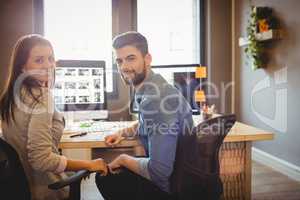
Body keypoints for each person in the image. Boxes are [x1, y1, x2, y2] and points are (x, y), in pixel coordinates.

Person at [0, 34, 108, 200]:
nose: (48, 65)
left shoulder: (11, 97)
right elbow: (41, 159)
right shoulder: (42, 97)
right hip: (46, 189)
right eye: (39, 60)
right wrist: (90, 164)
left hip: (18, 189)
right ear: (22, 67)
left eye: (50, 58)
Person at [95, 31, 194, 199]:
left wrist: (123, 159)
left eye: (131, 58)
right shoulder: (157, 87)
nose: (124, 67)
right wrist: (122, 133)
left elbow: (159, 172)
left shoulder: (155, 100)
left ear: (147, 59)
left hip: (168, 188)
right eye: (119, 61)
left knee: (104, 177)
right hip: (182, 175)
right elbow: (149, 123)